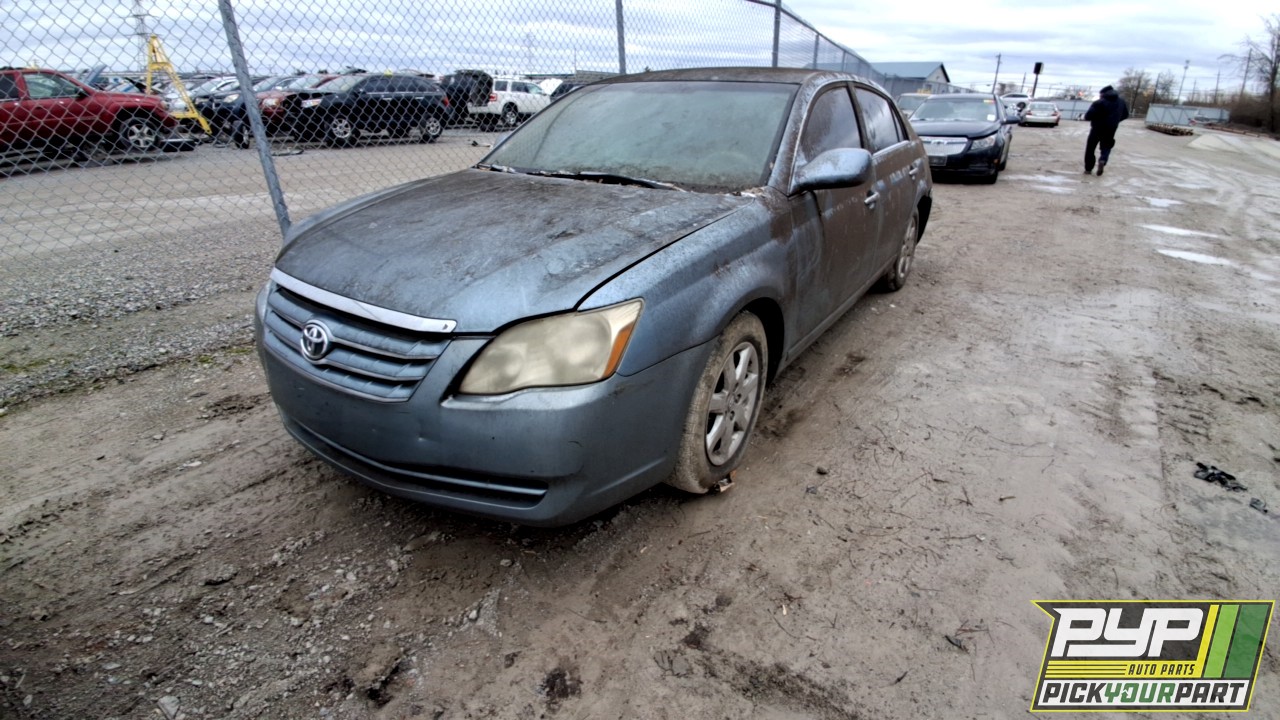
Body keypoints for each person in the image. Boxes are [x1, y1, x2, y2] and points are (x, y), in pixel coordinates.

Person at [1083, 86, 1128, 176]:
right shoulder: (1121, 102)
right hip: (1111, 129)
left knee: (1090, 148)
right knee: (1106, 146)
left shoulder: (1099, 102)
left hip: (1096, 128)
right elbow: (1126, 114)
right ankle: (1103, 160)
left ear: (1103, 94)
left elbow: (1088, 116)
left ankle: (1088, 169)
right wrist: (1115, 120)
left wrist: (1095, 118)